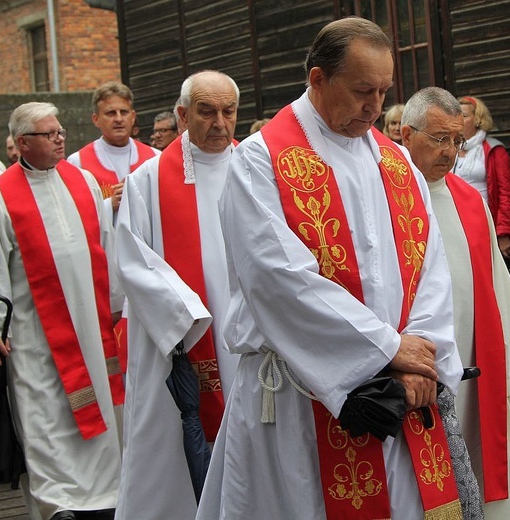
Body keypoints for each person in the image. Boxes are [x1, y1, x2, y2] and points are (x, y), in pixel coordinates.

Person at [197, 18, 473, 520]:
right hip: (303, 404)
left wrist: (420, 359)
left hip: (400, 399)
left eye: (385, 91)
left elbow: (431, 269)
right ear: (318, 79)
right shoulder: (260, 162)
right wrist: (388, 350)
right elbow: (279, 281)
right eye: (362, 90)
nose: (375, 106)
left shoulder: (397, 163)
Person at [0, 101, 124, 520]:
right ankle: (56, 500)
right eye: (50, 134)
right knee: (44, 414)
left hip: (91, 323)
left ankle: (106, 490)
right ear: (22, 143)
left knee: (100, 405)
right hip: (35, 329)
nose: (60, 140)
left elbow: (106, 244)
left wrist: (115, 303)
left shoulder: (84, 181)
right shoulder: (0, 195)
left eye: (60, 132)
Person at [402, 86, 510, 519]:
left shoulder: (468, 199)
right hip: (415, 360)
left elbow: (494, 284)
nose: (450, 152)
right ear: (407, 135)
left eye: (456, 140)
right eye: (438, 139)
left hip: (470, 358)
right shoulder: (385, 192)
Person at [114, 71, 241, 519]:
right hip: (181, 337)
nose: (220, 123)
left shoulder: (256, 170)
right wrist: (187, 316)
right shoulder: (148, 180)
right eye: (207, 112)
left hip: (247, 337)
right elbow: (132, 260)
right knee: (167, 442)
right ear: (183, 116)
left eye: (229, 111)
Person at [67, 82, 160, 214]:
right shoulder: (77, 162)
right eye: (111, 113)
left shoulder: (155, 157)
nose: (118, 119)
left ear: (133, 117)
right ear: (96, 119)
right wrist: (109, 205)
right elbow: (73, 212)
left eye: (124, 112)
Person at [455, 96, 510, 257]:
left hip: (484, 223)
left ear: (478, 119)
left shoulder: (494, 150)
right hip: (455, 222)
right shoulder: (450, 148)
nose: (459, 120)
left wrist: (503, 232)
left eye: (464, 115)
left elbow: (506, 193)